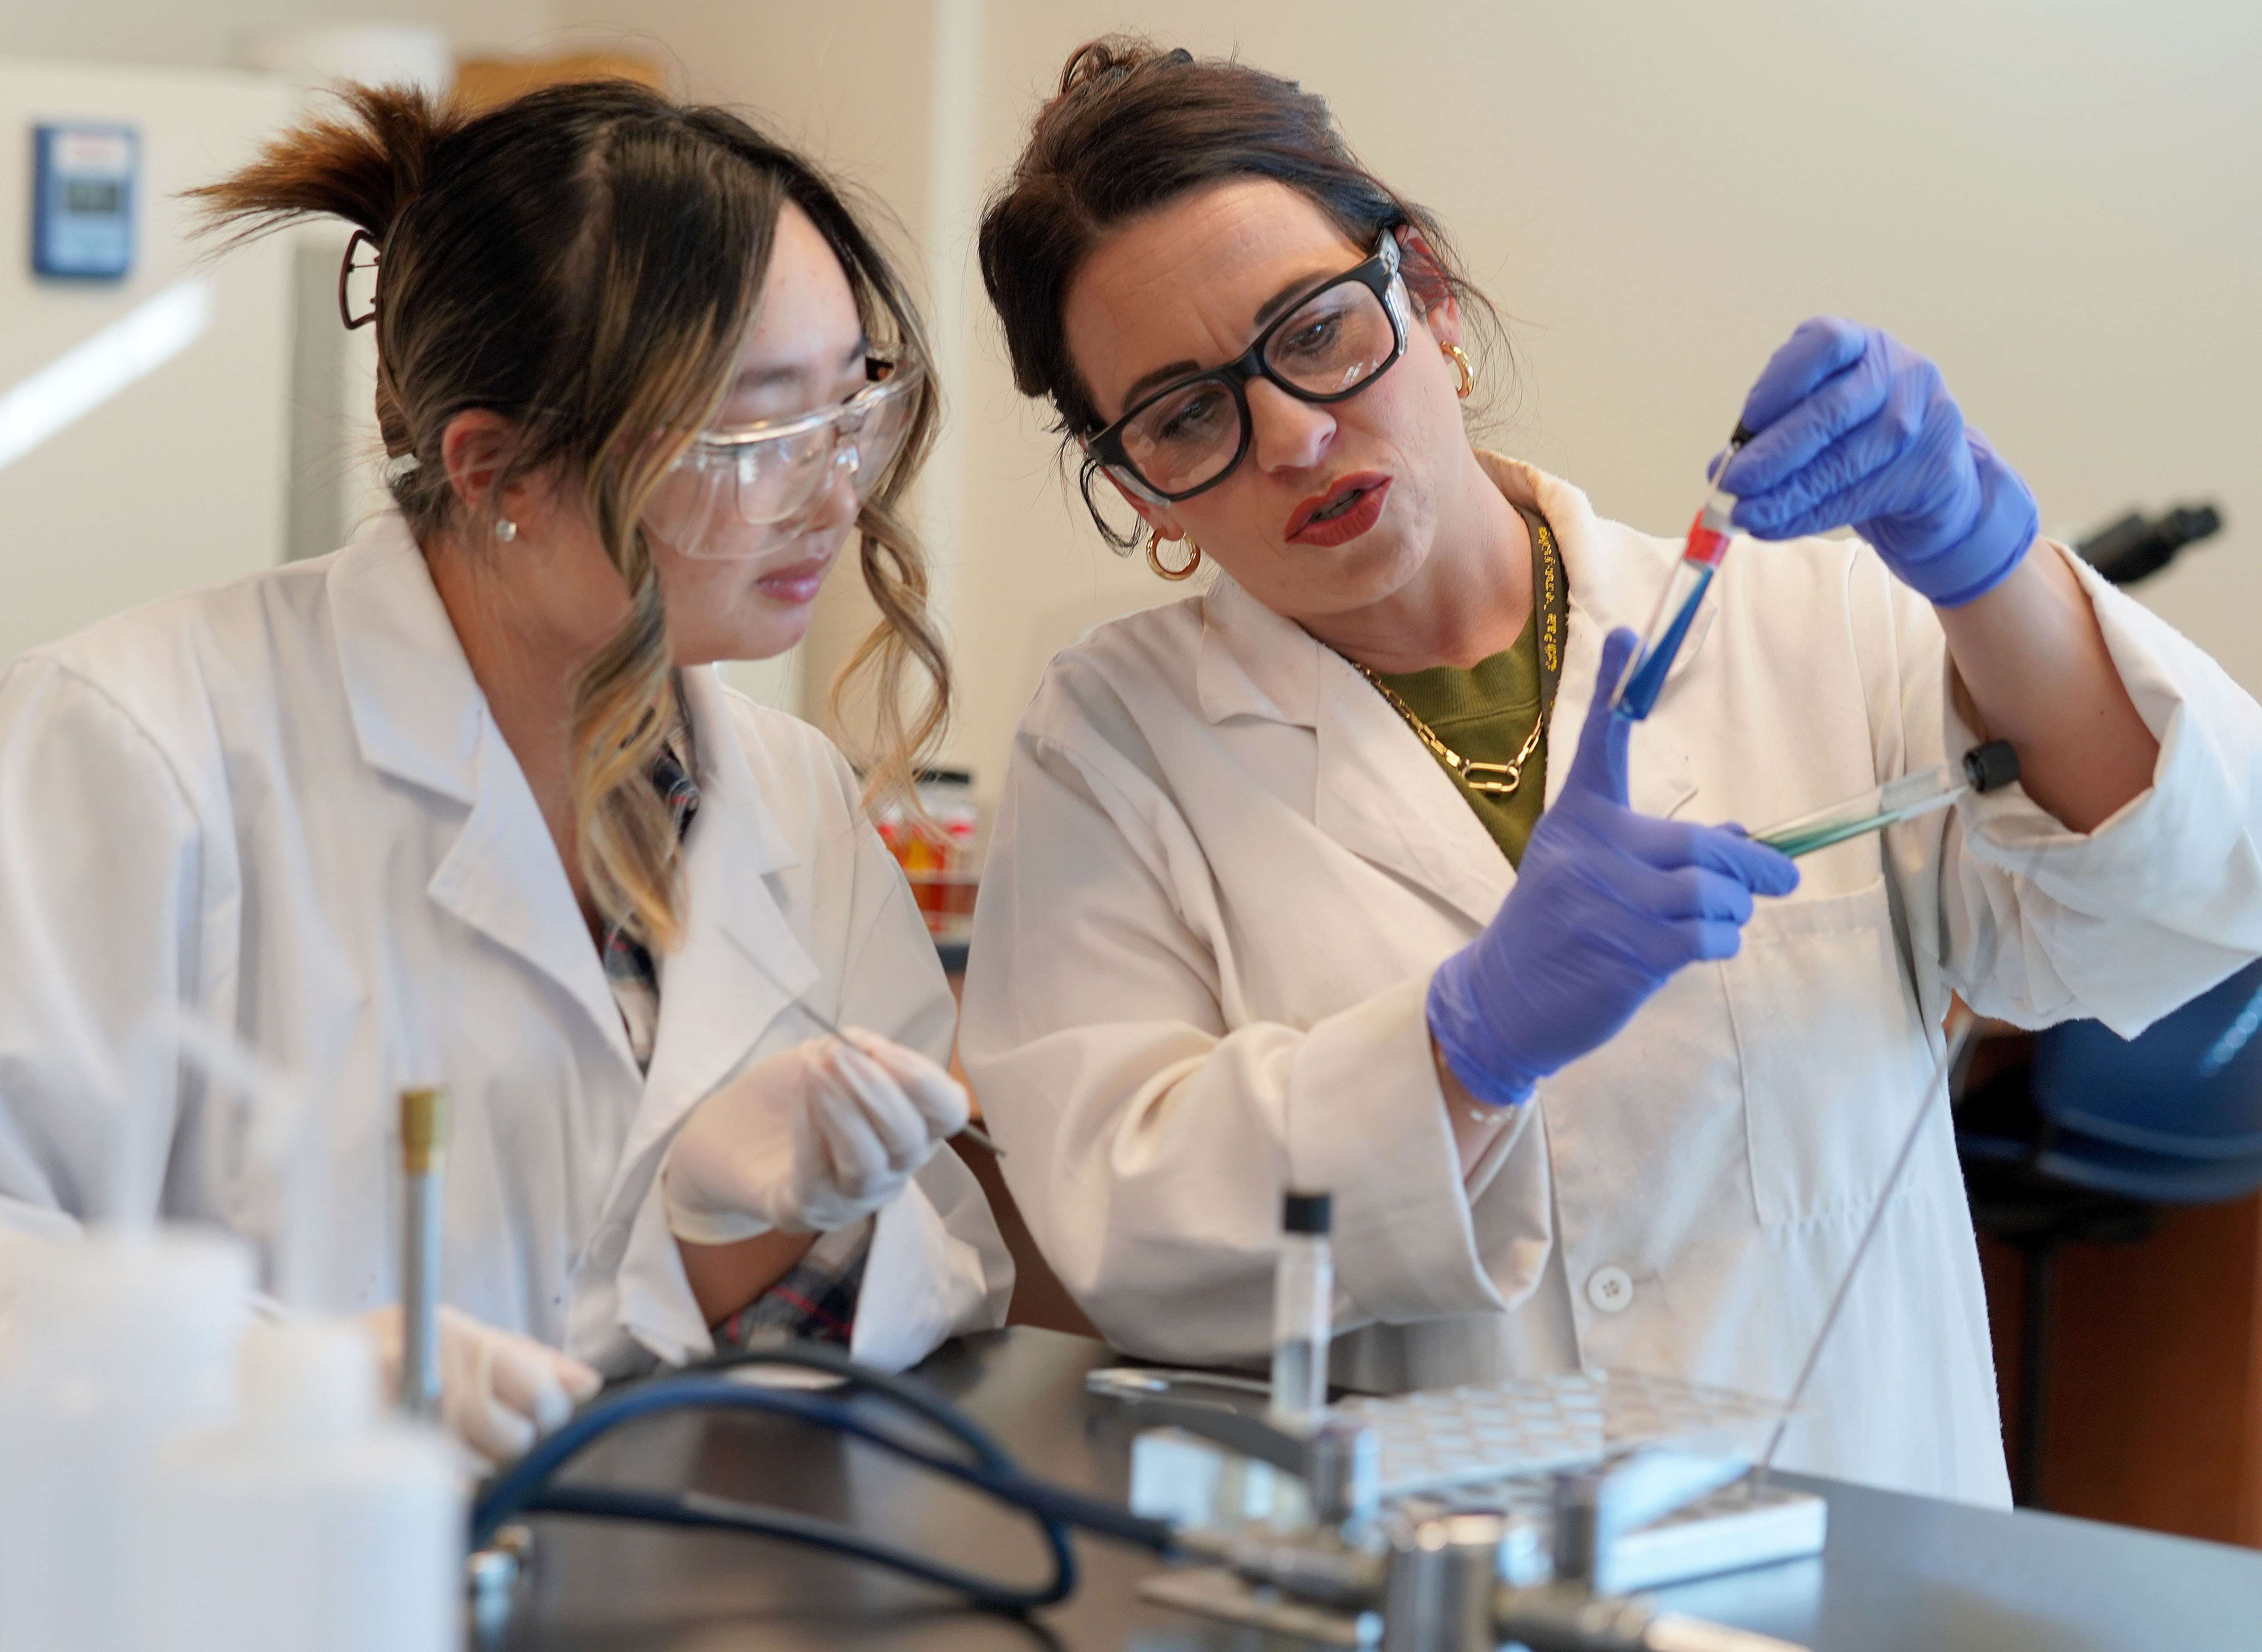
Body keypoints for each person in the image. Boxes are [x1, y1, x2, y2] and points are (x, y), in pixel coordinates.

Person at [958, 37, 2262, 1504]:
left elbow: (2186, 894)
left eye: (1316, 332)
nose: (1295, 434)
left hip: (1853, 1552)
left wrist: (1981, 554)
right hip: (1433, 1573)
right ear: (1139, 490)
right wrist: (1461, 1046)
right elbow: (1124, 1236)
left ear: (1429, 296)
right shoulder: (1114, 744)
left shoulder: (1805, 624)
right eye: (1187, 414)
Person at [0, 81, 1009, 1471]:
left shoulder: (790, 797)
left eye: (851, 407)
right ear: (498, 471)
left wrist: (730, 1235)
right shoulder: (128, 742)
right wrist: (247, 1376)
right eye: (759, 438)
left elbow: (946, 1267)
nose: (839, 496)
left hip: (658, 1563)